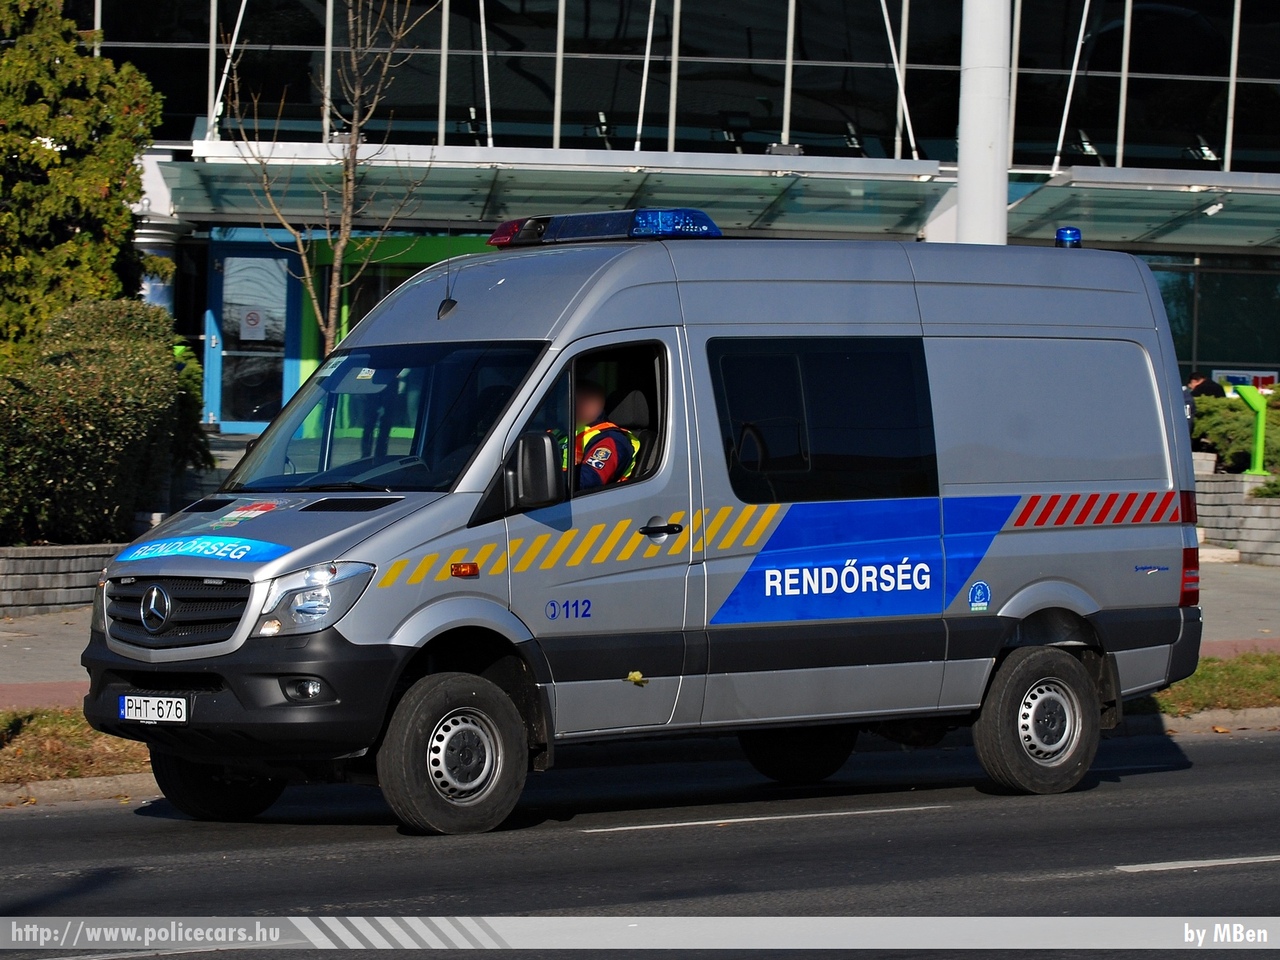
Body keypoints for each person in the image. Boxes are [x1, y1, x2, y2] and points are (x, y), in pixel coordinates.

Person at [566, 380, 640, 489]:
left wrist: (545, 480)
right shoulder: (561, 431)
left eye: (575, 403)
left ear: (593, 407)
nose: (567, 407)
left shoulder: (610, 439)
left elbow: (589, 480)